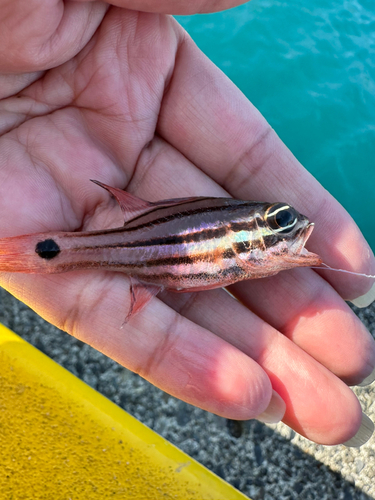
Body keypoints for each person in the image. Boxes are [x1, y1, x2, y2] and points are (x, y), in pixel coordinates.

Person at [1, 0, 374, 447]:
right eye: (280, 221)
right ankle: (39, 254)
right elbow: (230, 262)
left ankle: (47, 254)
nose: (294, 228)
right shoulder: (237, 249)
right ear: (243, 237)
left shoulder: (245, 253)